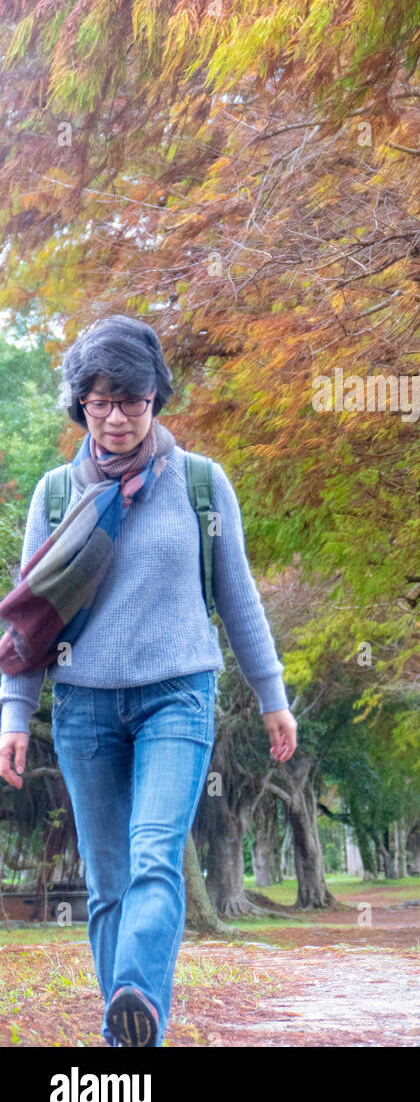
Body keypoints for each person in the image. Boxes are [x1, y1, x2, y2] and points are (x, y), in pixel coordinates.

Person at [0, 315, 297, 1047]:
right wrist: (14, 712)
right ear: (81, 406)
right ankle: (131, 1040)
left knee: (154, 853)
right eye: (99, 400)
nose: (117, 415)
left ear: (156, 398)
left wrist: (272, 696)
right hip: (82, 706)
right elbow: (30, 614)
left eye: (131, 399)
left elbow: (239, 595)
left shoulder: (200, 484)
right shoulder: (55, 491)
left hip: (178, 696)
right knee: (107, 882)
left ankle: (133, 989)